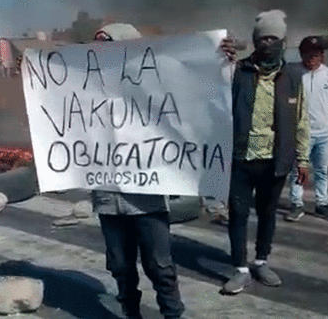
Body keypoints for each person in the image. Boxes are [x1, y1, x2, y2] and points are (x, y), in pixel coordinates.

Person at [92, 23, 236, 319]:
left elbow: (201, 92)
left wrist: (219, 61)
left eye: (109, 48)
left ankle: (172, 315)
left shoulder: (156, 85)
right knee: (120, 267)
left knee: (160, 267)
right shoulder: (86, 89)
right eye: (96, 50)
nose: (100, 55)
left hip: (147, 196)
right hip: (108, 198)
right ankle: (131, 313)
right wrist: (30, 70)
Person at [221, 10, 310, 295]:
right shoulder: (238, 71)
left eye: (273, 38)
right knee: (237, 214)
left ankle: (261, 261)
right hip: (240, 159)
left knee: (267, 213)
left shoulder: (293, 77)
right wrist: (217, 56)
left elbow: (301, 120)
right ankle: (240, 269)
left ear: (283, 41)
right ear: (255, 41)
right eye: (262, 38)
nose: (267, 43)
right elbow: (209, 87)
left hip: (275, 161)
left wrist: (303, 159)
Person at [285, 36, 328, 222]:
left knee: (321, 170)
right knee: (297, 170)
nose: (312, 57)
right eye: (308, 54)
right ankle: (297, 204)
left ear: (322, 55)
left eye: (316, 54)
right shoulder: (293, 72)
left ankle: (322, 204)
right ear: (301, 54)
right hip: (301, 133)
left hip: (324, 132)